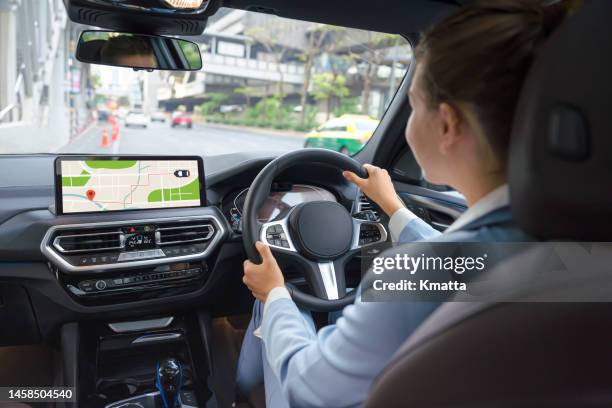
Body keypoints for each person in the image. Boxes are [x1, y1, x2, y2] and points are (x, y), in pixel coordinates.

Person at [237, 1, 578, 406]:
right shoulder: (571, 243)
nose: (410, 119)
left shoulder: (412, 275)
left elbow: (306, 390)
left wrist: (276, 295)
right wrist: (395, 210)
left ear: (448, 124)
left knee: (284, 310)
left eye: (413, 105)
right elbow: (466, 260)